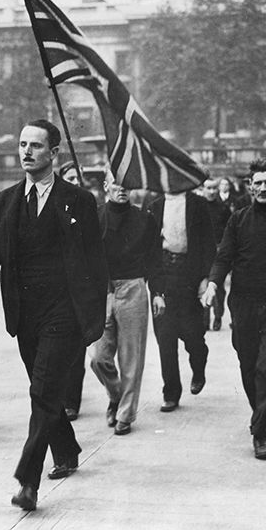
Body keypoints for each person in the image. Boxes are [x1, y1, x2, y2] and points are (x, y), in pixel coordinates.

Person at [0, 119, 108, 512]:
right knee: (44, 387)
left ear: (54, 153)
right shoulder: (7, 199)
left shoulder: (78, 200)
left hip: (64, 311)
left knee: (43, 390)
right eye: (22, 144)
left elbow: (96, 262)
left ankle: (28, 480)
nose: (26, 152)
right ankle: (67, 448)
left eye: (36, 146)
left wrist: (93, 316)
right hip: (25, 312)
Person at [201, 159, 266, 460]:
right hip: (243, 302)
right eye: (258, 183)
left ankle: (260, 433)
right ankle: (259, 413)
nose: (263, 188)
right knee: (248, 363)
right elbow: (223, 257)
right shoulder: (237, 220)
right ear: (250, 186)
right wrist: (213, 283)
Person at [89, 170, 161, 435]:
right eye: (116, 182)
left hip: (133, 288)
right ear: (106, 186)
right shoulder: (94, 217)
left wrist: (158, 293)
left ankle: (125, 415)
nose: (122, 188)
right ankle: (116, 394)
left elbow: (155, 259)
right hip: (102, 290)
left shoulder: (144, 220)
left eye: (126, 183)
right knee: (98, 357)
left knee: (132, 358)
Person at [147, 187, 215, 412]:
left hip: (190, 276)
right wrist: (156, 289)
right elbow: (150, 250)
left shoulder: (198, 204)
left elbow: (208, 244)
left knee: (193, 334)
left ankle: (199, 366)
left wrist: (205, 278)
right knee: (165, 338)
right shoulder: (154, 204)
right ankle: (171, 393)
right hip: (164, 274)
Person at [58, 160, 86, 421]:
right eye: (70, 178)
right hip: (55, 287)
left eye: (78, 178)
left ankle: (72, 401)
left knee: (76, 349)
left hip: (79, 288)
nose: (75, 182)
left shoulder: (88, 207)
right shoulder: (54, 205)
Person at [201, 178, 232, 331]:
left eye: (214, 188)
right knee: (202, 285)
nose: (212, 192)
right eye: (209, 188)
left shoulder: (223, 208)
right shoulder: (197, 207)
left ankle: (218, 315)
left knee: (218, 286)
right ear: (203, 189)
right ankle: (204, 319)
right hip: (201, 252)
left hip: (218, 251)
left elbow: (230, 230)